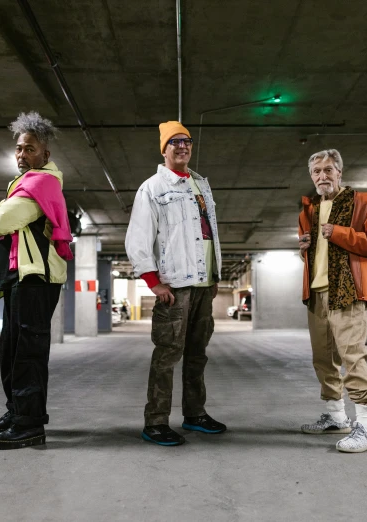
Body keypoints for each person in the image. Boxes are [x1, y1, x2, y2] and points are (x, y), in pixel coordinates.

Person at [125, 121, 226, 446]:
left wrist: (215, 276)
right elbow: (138, 239)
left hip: (203, 284)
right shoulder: (153, 187)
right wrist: (153, 283)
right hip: (175, 286)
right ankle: (155, 422)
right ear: (164, 149)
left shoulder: (200, 185)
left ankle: (195, 414)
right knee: (168, 354)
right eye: (175, 143)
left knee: (198, 354)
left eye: (187, 141)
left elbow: (209, 236)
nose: (182, 147)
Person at [0, 111, 73, 450]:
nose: (22, 155)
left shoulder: (41, 183)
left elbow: (1, 221)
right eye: (19, 148)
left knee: (28, 354)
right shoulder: (26, 183)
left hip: (36, 279)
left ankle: (30, 424)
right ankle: (17, 411)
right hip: (21, 276)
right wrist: (1, 211)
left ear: (45, 155)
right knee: (12, 351)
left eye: (29, 149)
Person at [297, 149, 367, 453]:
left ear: (339, 172)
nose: (322, 176)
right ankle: (336, 416)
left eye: (327, 170)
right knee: (323, 359)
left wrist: (338, 232)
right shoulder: (308, 212)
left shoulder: (361, 204)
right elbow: (315, 255)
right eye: (316, 172)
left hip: (347, 292)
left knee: (352, 357)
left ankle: (366, 426)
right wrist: (304, 249)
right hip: (317, 293)